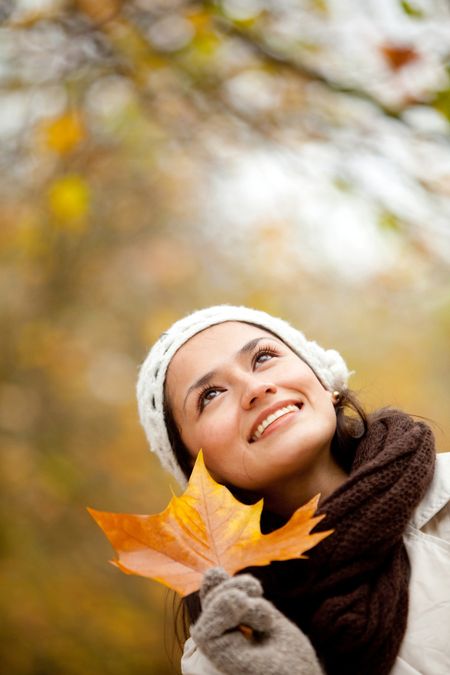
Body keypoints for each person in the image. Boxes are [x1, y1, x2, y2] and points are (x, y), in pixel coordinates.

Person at [136, 305, 450, 675]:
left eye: (264, 357)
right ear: (197, 467)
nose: (255, 388)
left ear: (324, 379)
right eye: (211, 395)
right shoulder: (223, 651)